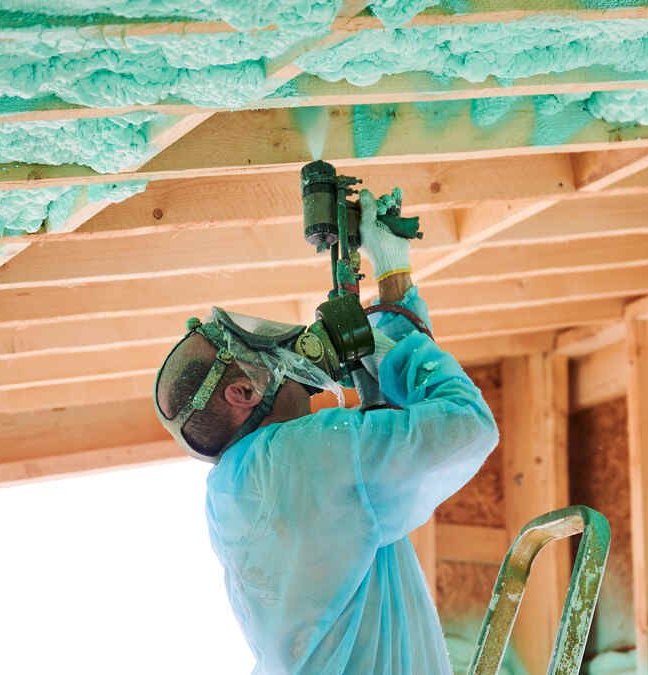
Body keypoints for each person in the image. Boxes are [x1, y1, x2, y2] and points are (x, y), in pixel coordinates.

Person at [153, 191, 500, 674]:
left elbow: (386, 445)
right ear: (243, 393)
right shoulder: (301, 456)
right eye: (255, 353)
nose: (284, 352)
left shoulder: (235, 488)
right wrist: (391, 347)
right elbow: (466, 426)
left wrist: (391, 281)